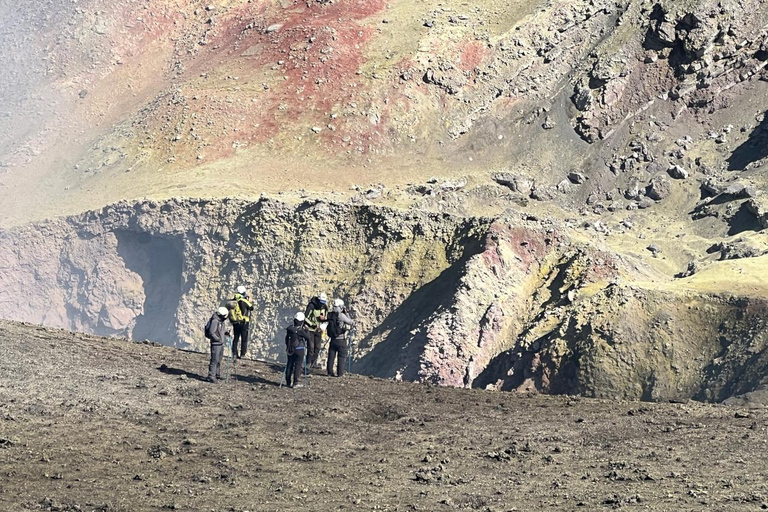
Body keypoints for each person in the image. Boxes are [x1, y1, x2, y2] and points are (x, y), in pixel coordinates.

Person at [326, 298, 354, 377]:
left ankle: (329, 372)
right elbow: (351, 322)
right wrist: (347, 314)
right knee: (341, 357)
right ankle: (340, 373)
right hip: (341, 339)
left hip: (332, 339)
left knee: (331, 356)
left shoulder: (330, 314)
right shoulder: (341, 315)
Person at [205, 307, 230, 383]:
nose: (226, 317)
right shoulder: (215, 321)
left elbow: (220, 331)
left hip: (220, 343)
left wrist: (226, 332)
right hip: (216, 344)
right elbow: (211, 332)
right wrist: (218, 339)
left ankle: (217, 374)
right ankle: (211, 376)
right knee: (214, 360)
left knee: (219, 359)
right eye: (225, 315)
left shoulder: (220, 321)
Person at [285, 312, 310, 388]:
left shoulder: (290, 329)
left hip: (290, 349)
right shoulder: (300, 330)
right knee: (298, 365)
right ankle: (296, 382)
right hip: (299, 349)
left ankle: (288, 381)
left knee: (290, 364)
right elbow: (308, 337)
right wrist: (307, 330)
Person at [304, 292, 328, 369]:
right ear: (318, 300)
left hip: (319, 330)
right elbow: (305, 317)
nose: (322, 305)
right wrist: (312, 324)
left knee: (317, 348)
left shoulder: (324, 307)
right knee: (311, 347)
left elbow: (326, 317)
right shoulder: (311, 306)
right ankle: (308, 364)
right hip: (310, 330)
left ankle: (313, 363)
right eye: (321, 303)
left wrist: (324, 320)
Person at [228, 285, 254, 359]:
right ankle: (243, 354)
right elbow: (251, 308)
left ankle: (234, 354)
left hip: (236, 322)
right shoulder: (244, 301)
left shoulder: (233, 300)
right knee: (244, 338)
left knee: (236, 338)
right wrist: (249, 301)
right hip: (244, 322)